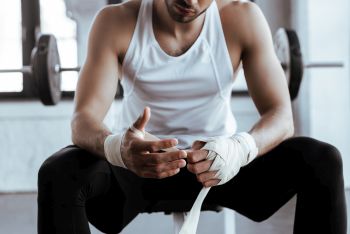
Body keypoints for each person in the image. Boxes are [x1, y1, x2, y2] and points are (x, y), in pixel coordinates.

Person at [37, 0, 347, 233]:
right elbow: (83, 120)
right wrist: (119, 149)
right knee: (59, 171)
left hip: (221, 168)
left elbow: (281, 116)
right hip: (138, 169)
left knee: (323, 160)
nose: (190, 0)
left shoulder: (242, 18)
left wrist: (240, 149)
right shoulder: (116, 21)